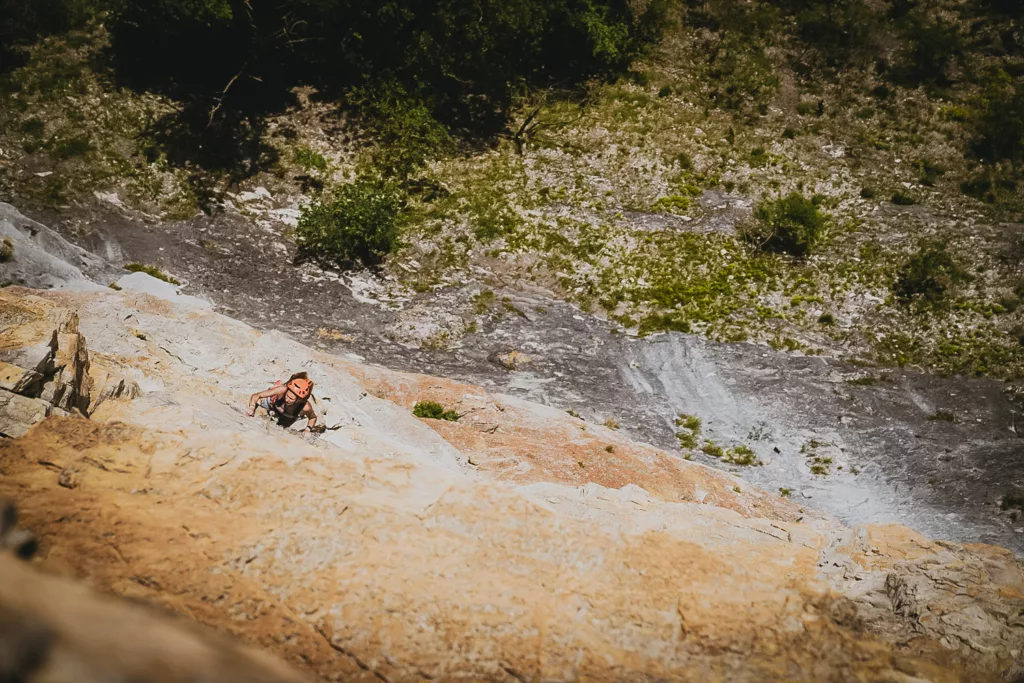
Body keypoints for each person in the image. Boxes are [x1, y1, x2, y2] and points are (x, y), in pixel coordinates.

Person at [246, 372, 321, 433]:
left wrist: (308, 429)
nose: (287, 399)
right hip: (271, 405)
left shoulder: (305, 407)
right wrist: (252, 407)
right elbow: (257, 395)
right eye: (287, 395)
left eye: (291, 398)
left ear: (299, 400)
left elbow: (313, 417)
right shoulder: (282, 390)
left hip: (287, 418)